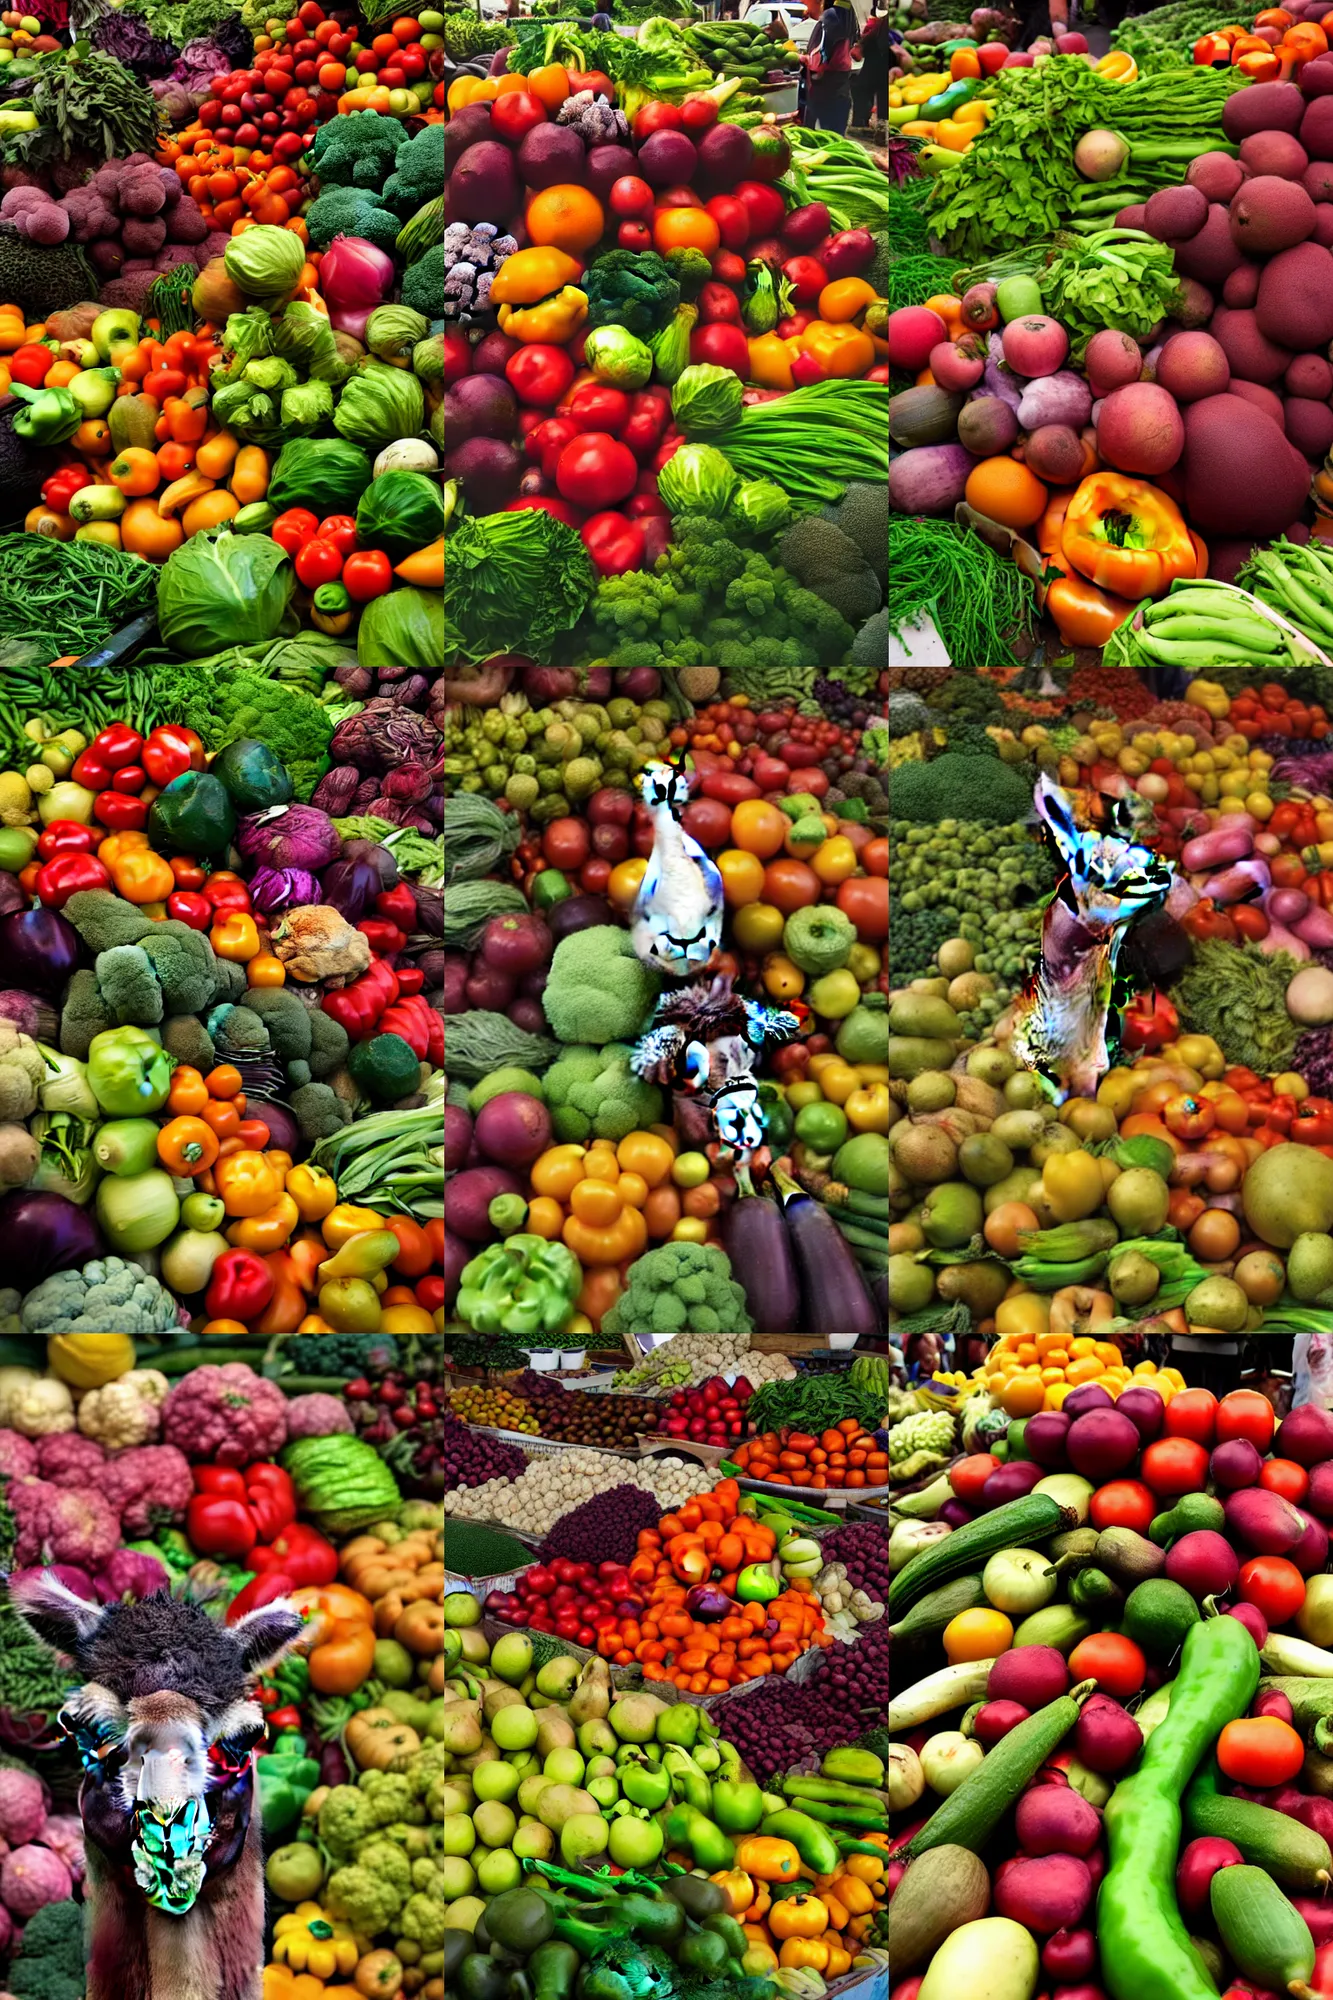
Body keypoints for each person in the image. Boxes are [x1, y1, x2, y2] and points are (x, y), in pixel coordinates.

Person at [803, 0, 854, 133]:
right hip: (841, 70)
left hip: (828, 72)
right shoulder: (849, 14)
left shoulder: (831, 15)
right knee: (837, 109)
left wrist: (820, 66)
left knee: (821, 109)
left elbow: (826, 45)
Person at [851, 0, 889, 129]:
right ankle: (879, 125)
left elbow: (872, 36)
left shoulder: (880, 23)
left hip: (876, 59)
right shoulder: (880, 21)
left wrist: (861, 45)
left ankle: (861, 123)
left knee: (863, 89)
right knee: (880, 93)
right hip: (878, 59)